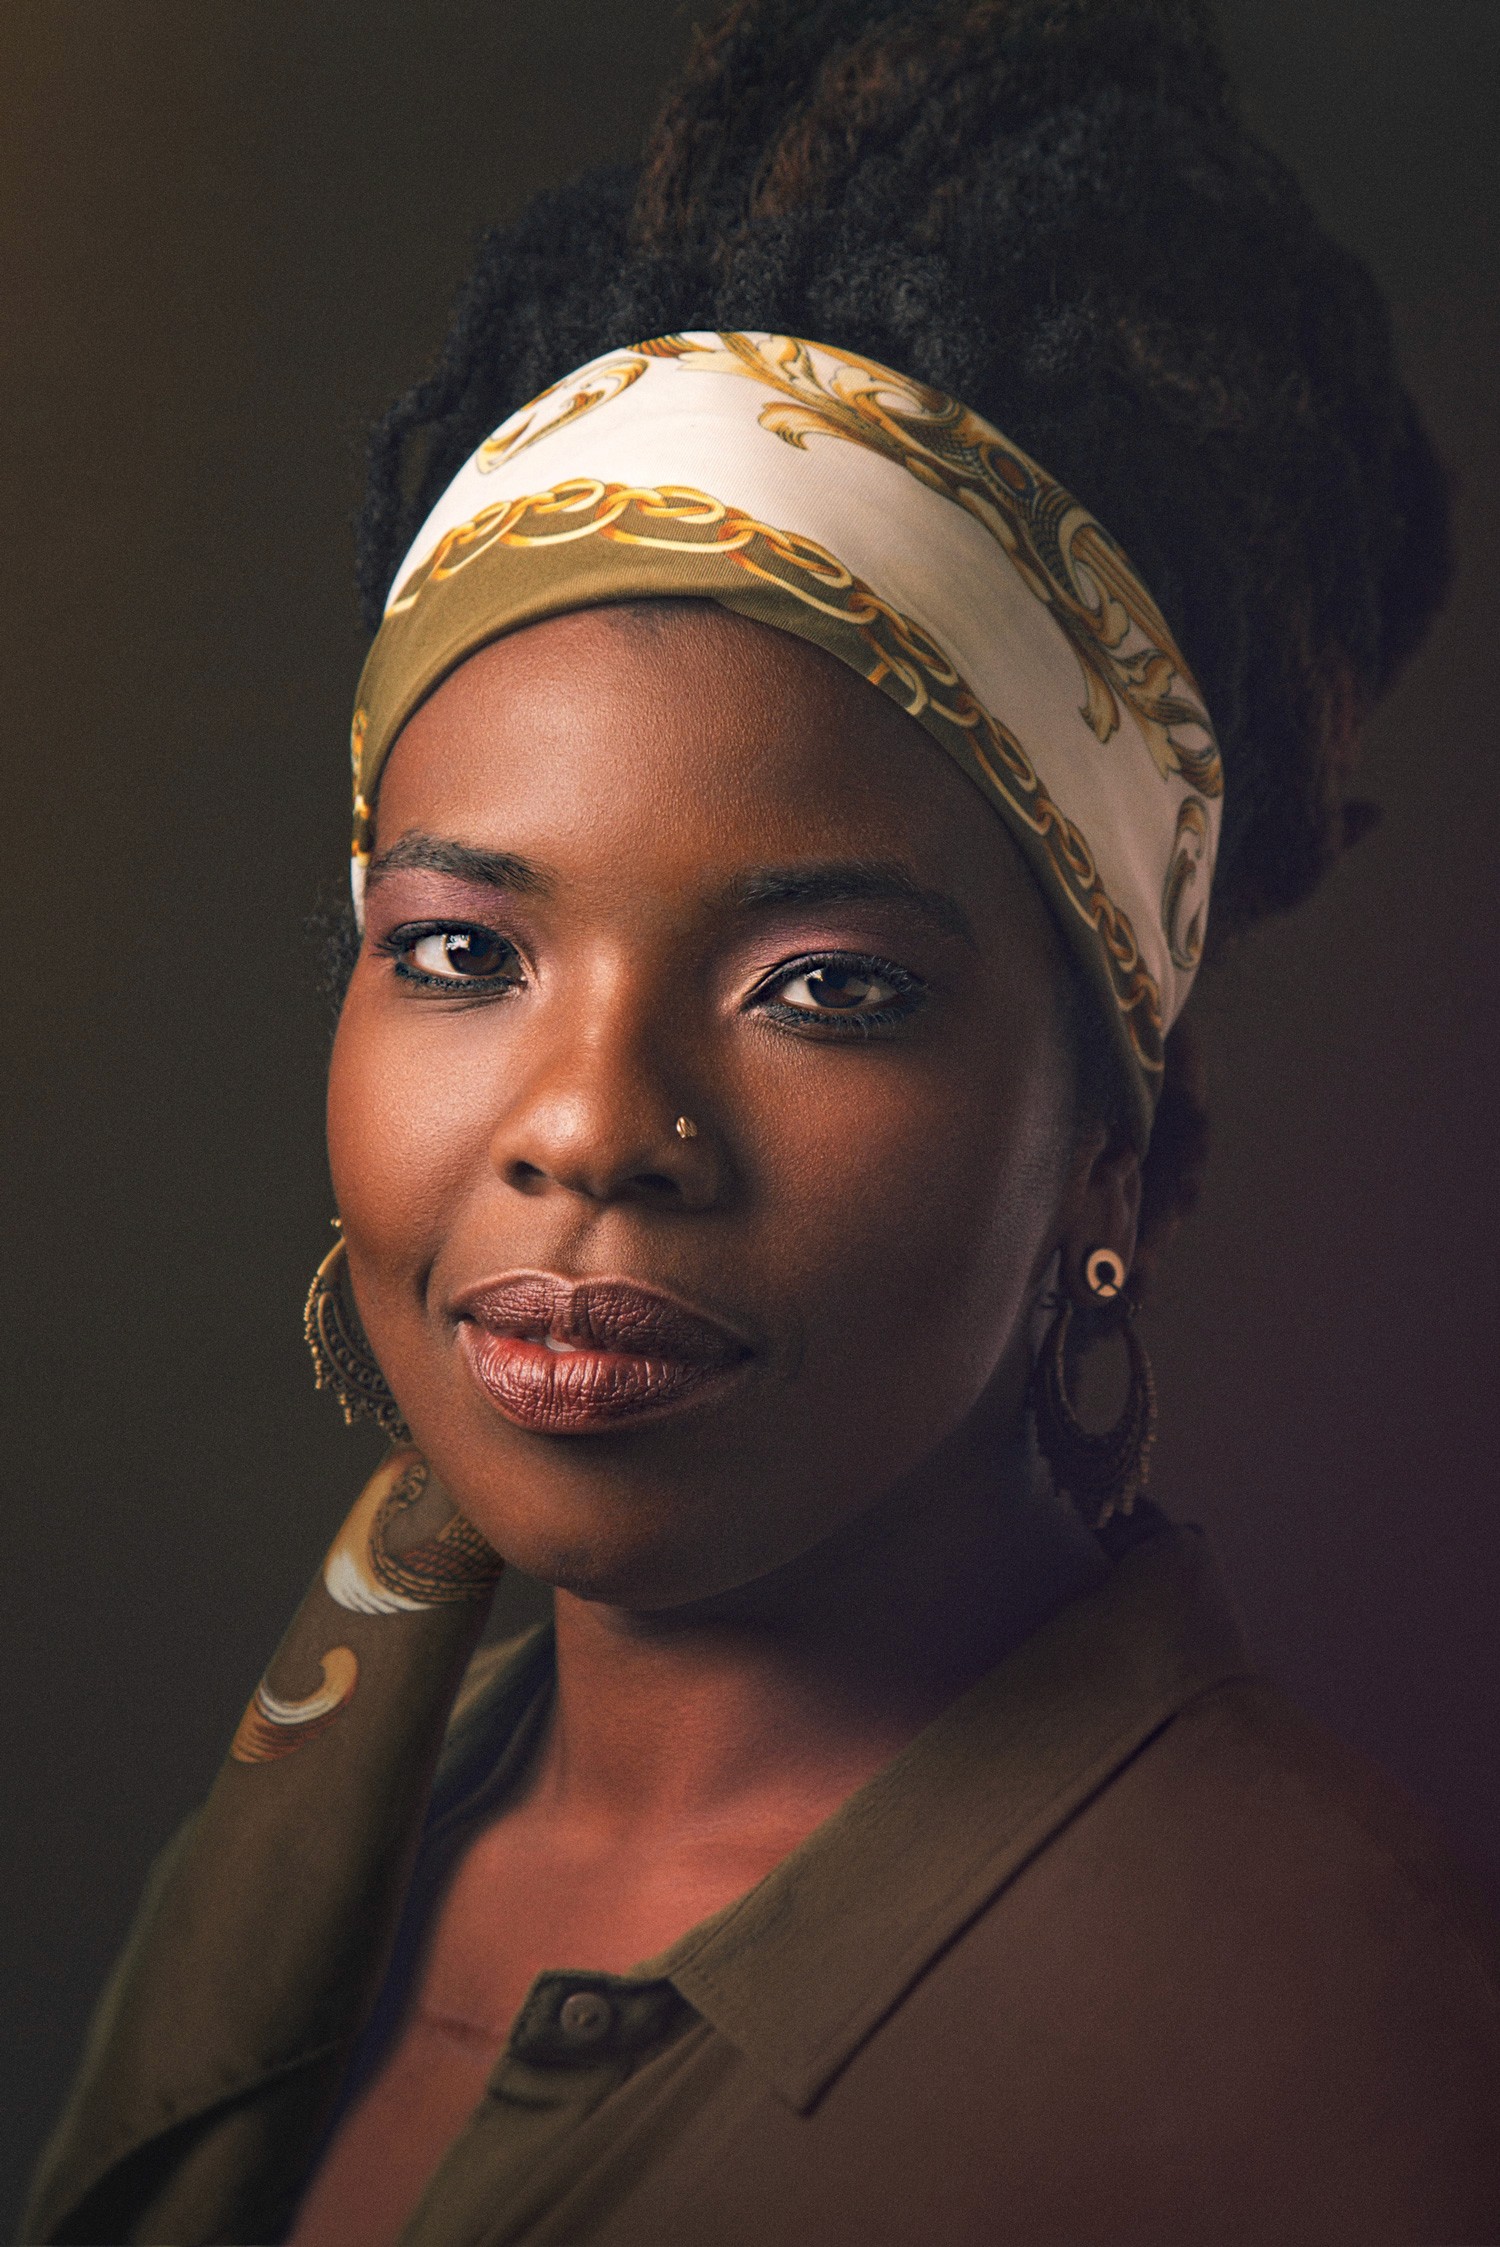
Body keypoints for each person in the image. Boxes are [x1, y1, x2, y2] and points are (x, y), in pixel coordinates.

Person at [23, 2, 1500, 2242]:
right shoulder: (361, 1780)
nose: (593, 1124)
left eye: (825, 988)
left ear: (1107, 1138)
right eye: (460, 950)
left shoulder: (1326, 2059)